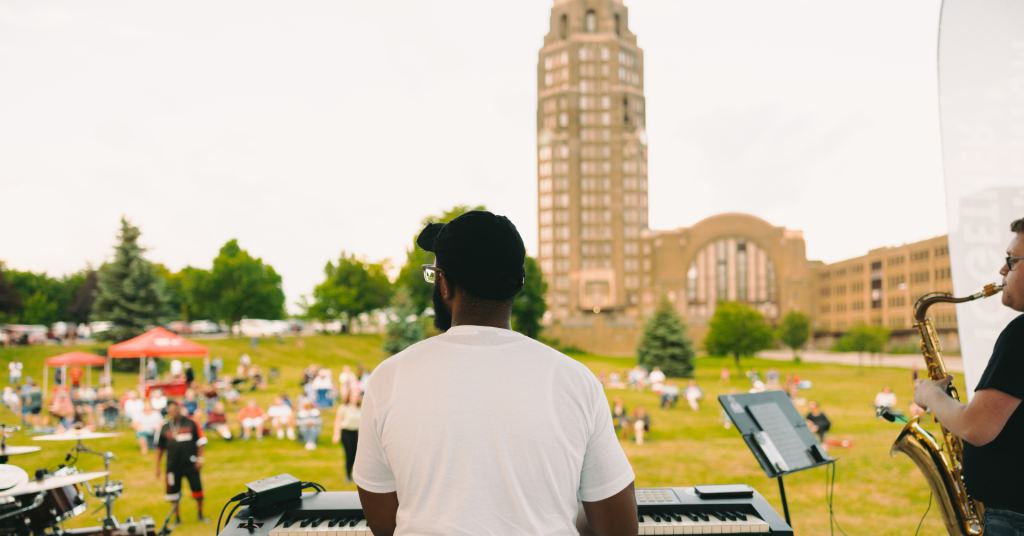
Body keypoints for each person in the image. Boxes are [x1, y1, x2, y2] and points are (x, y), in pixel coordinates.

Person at [354, 211, 636, 536]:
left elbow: (383, 521)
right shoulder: (575, 379)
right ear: (516, 285)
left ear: (444, 284)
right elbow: (619, 526)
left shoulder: (389, 378)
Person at [914, 218, 1024, 529]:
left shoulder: (1021, 334)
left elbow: (976, 427)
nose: (1002, 271)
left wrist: (930, 394)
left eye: (1011, 261)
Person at [155, 401, 209, 524]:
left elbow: (201, 442)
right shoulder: (165, 427)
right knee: (173, 493)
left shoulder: (191, 423)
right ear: (168, 411)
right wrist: (157, 467)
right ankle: (177, 518)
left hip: (191, 464)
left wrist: (199, 459)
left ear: (180, 409)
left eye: (175, 409)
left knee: (197, 490)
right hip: (173, 466)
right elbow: (159, 448)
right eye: (170, 410)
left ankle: (200, 515)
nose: (173, 412)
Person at [333, 391, 361, 480]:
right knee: (350, 454)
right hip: (346, 433)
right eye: (353, 396)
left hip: (355, 433)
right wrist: (336, 435)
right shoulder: (343, 408)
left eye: (356, 396)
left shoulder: (359, 408)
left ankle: (354, 474)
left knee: (356, 454)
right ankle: (348, 475)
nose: (355, 398)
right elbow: (337, 422)